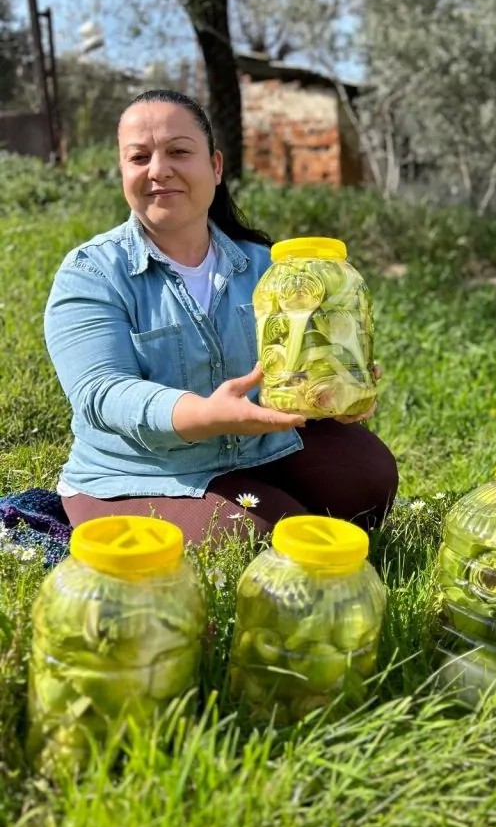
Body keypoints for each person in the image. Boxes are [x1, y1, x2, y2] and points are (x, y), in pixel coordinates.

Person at [44, 89, 398, 544]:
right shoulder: (92, 272)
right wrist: (209, 415)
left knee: (367, 480)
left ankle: (263, 495)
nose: (157, 170)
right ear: (123, 173)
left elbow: (297, 369)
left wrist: (334, 387)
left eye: (178, 151)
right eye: (139, 157)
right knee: (264, 538)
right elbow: (102, 394)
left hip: (253, 448)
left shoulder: (268, 269)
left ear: (215, 166)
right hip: (139, 472)